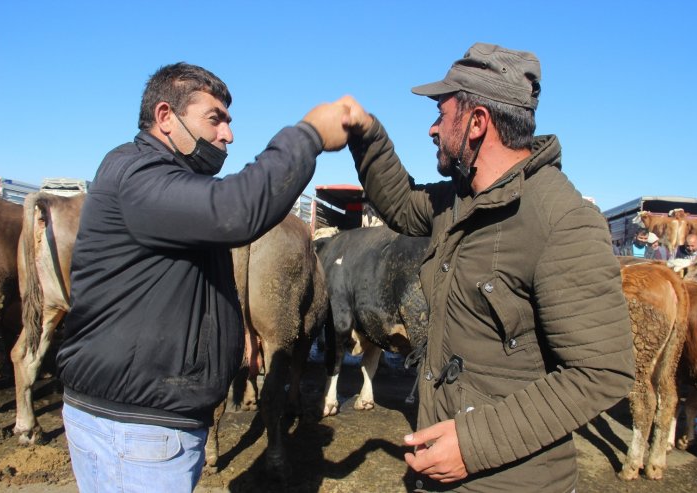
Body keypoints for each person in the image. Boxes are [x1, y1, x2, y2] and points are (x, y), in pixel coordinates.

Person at [341, 43, 634, 492]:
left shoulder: (562, 220)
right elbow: (400, 204)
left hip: (512, 481)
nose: (433, 129)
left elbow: (601, 372)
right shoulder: (457, 202)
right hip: (441, 471)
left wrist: (473, 444)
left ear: (477, 123)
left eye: (441, 114)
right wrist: (365, 132)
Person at [55, 62, 352, 493]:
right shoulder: (138, 175)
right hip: (136, 430)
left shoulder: (152, 177)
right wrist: (308, 135)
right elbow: (236, 210)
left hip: (142, 423)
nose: (227, 135)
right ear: (165, 117)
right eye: (215, 119)